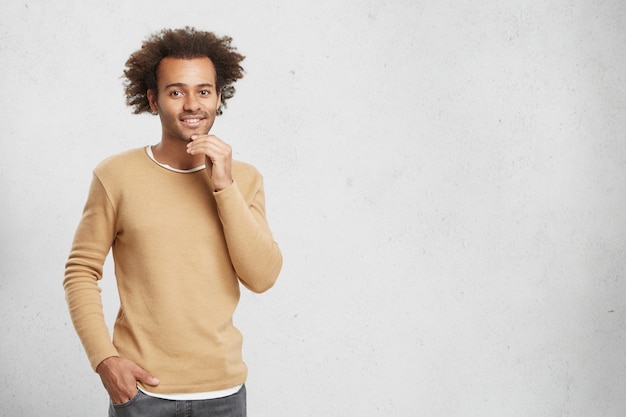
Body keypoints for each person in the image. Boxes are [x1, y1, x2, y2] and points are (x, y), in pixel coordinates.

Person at [63, 27, 282, 417]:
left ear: (219, 97)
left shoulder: (244, 179)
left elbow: (262, 277)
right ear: (152, 100)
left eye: (203, 91)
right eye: (176, 91)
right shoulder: (115, 176)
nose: (192, 104)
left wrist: (224, 187)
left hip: (225, 395)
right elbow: (81, 270)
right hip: (143, 395)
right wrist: (104, 361)